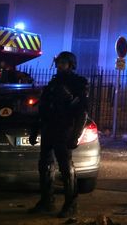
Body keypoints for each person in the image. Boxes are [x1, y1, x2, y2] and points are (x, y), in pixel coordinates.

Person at [28, 51, 89, 218]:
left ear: (70, 64)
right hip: (49, 128)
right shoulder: (53, 84)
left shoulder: (78, 83)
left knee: (66, 167)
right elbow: (42, 109)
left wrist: (75, 135)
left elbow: (82, 112)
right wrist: (35, 131)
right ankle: (47, 201)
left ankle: (71, 205)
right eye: (59, 62)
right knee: (45, 165)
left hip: (64, 129)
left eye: (63, 62)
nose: (59, 65)